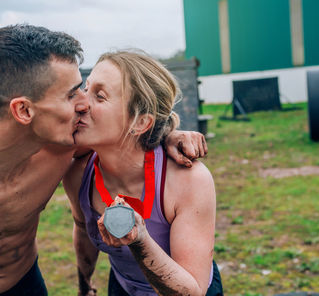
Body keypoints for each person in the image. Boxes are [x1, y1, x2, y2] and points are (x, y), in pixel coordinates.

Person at [0, 25, 206, 296]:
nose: (83, 103)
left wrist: (168, 133)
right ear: (24, 111)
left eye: (85, 88)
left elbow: (129, 136)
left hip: (28, 284)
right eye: (71, 94)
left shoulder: (64, 147)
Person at [63, 50, 223, 296]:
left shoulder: (188, 179)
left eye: (100, 96)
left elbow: (192, 292)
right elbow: (83, 229)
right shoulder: (79, 174)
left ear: (140, 123)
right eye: (86, 89)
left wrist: (139, 241)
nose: (82, 103)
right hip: (122, 288)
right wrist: (85, 284)